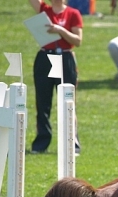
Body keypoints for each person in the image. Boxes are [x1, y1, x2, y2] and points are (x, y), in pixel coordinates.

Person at [28, 0, 82, 154]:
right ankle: (41, 144)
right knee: (42, 102)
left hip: (64, 57)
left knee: (68, 102)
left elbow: (77, 40)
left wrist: (60, 30)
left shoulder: (73, 13)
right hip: (45, 57)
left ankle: (73, 144)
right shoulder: (44, 10)